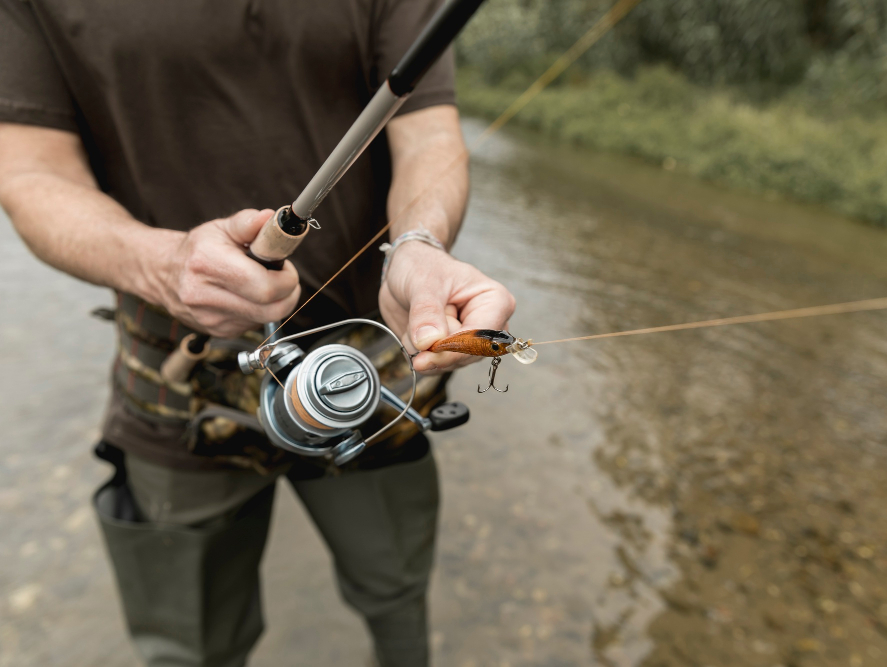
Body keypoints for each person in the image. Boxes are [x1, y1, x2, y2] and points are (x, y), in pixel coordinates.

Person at [0, 1, 515, 666]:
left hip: (372, 378)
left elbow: (427, 135)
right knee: (189, 647)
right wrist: (160, 266)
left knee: (397, 597)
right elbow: (29, 173)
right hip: (177, 387)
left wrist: (418, 244)